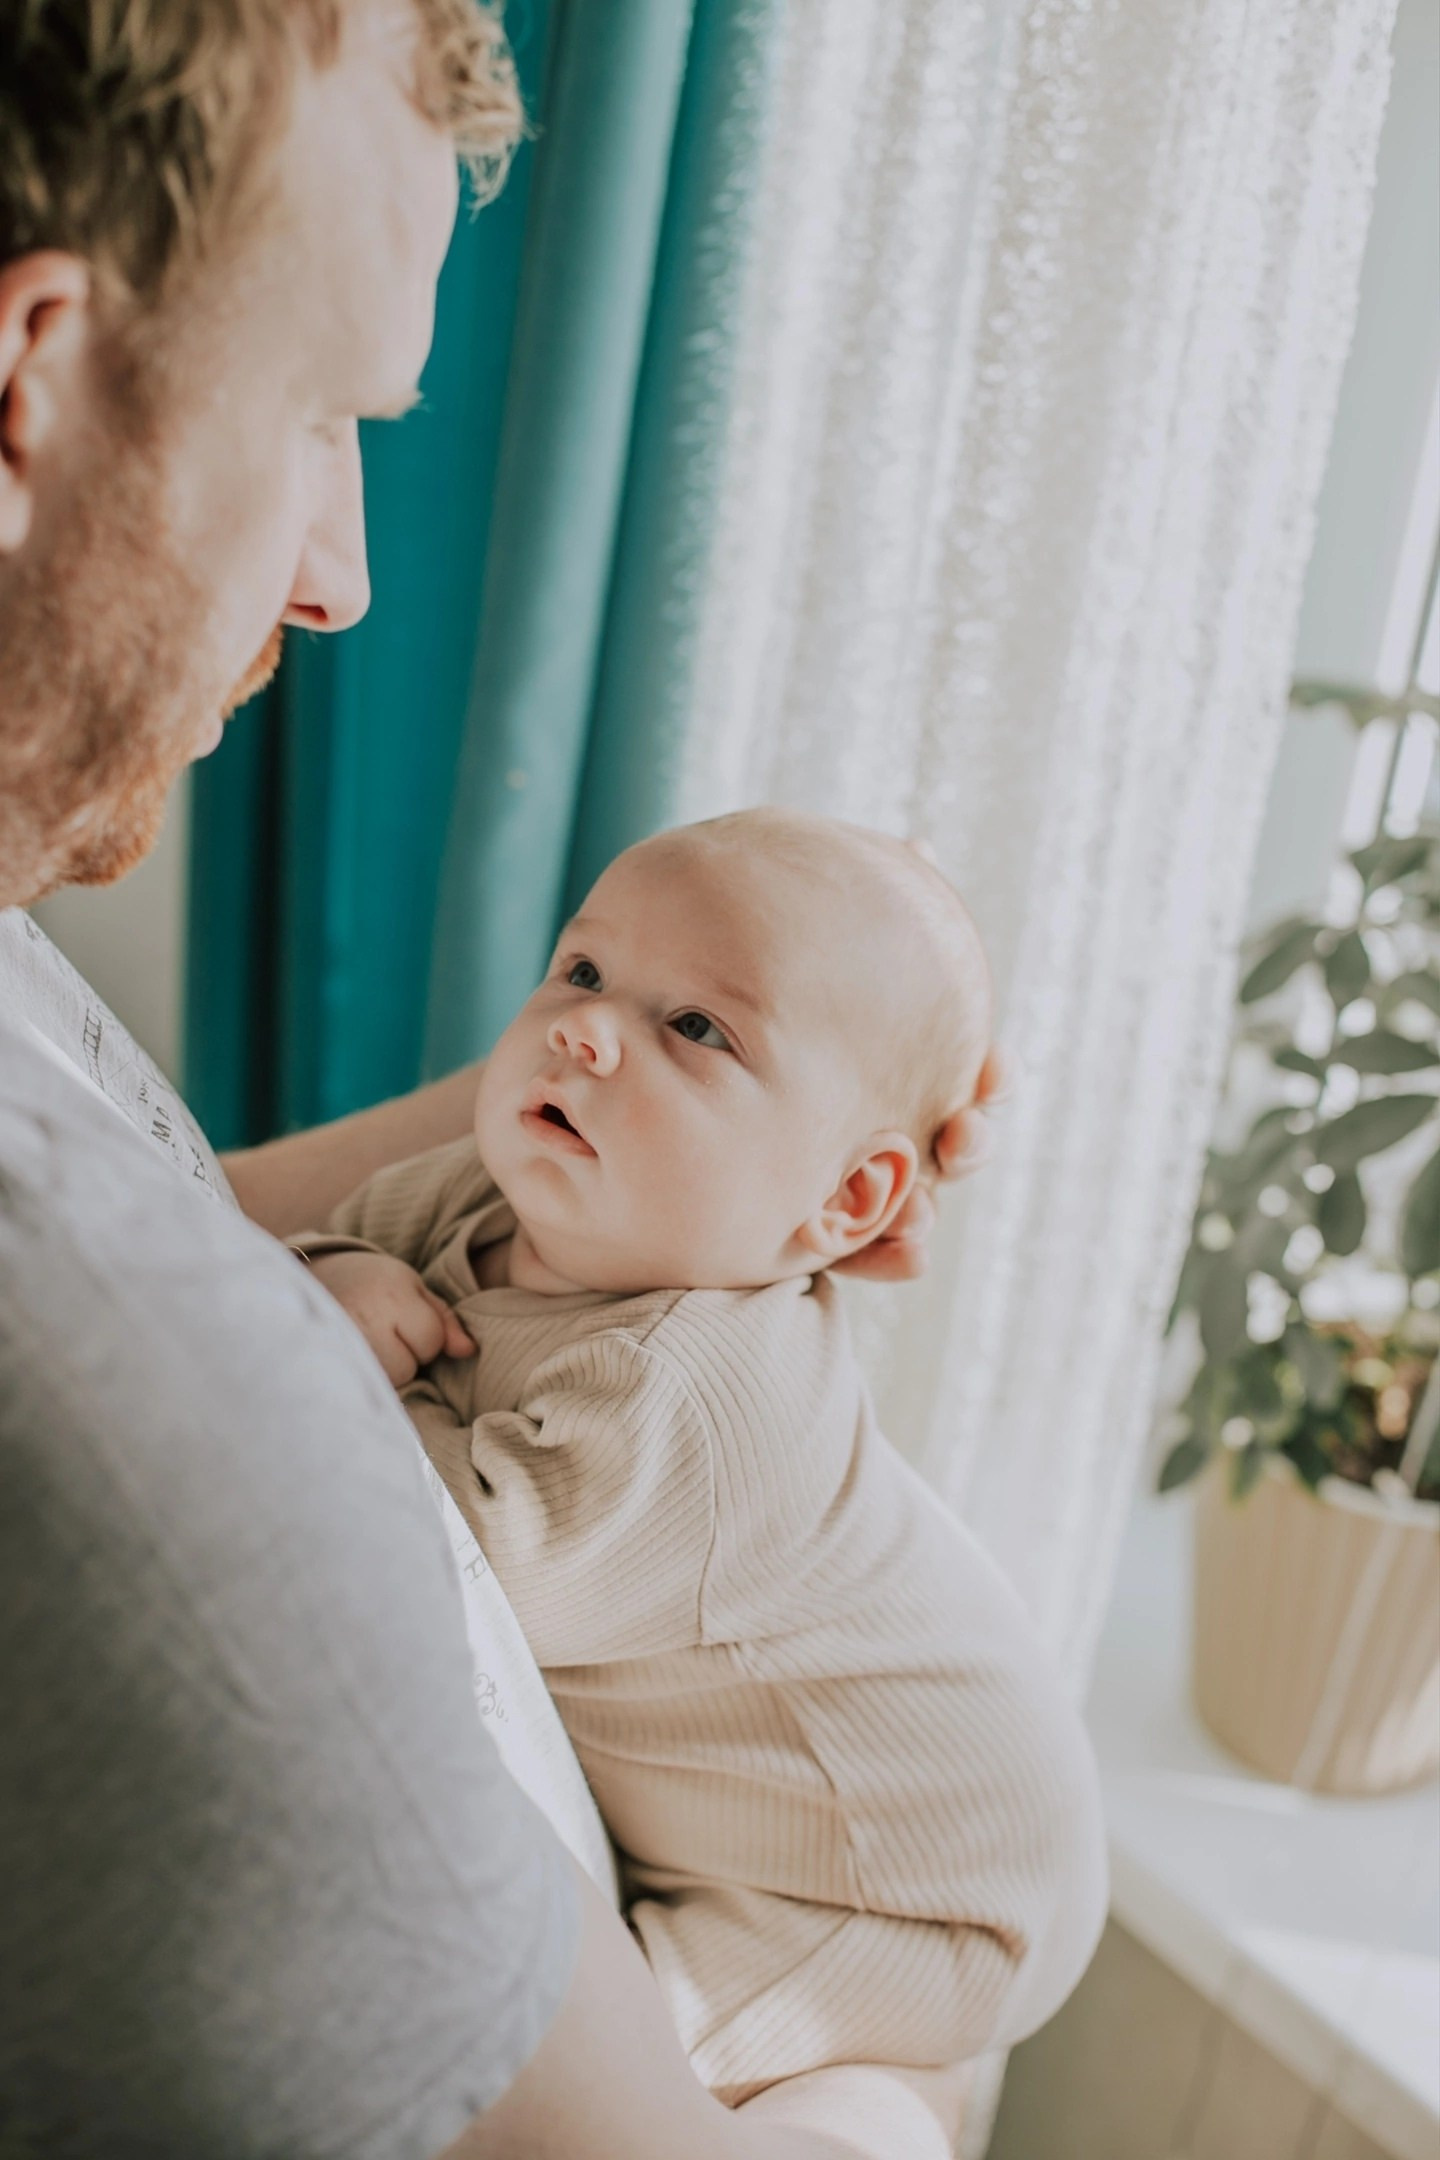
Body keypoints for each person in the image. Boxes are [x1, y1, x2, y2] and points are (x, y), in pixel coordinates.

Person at [0, 6, 1004, 2157]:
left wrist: (618, 1083)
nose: (344, 577)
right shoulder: (138, 1444)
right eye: (325, 419)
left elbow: (153, 1201)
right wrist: (908, 2091)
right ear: (33, 368)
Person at [295, 809, 1108, 2104]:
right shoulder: (494, 1189)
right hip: (749, 1799)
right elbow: (316, 1253)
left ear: (845, 1203)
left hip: (913, 1883)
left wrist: (335, 1338)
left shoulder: (701, 1391)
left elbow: (451, 1566)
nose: (584, 1029)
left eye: (698, 1030)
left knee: (602, 2061)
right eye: (583, 971)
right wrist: (332, 1270)